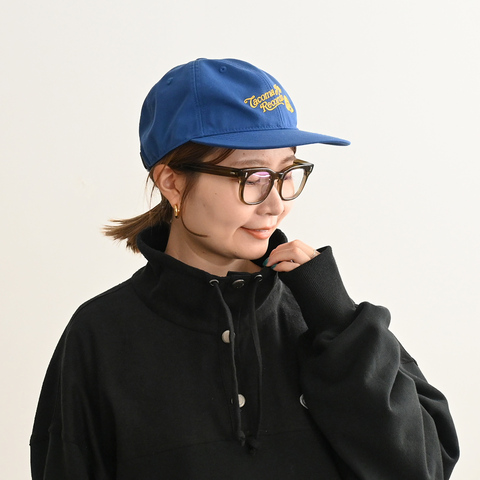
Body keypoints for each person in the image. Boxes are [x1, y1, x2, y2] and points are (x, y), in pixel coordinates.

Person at [30, 58, 459, 479]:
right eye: (251, 177)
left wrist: (340, 323)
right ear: (172, 182)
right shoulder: (101, 336)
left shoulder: (326, 319)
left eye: (287, 173)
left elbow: (425, 469)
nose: (276, 205)